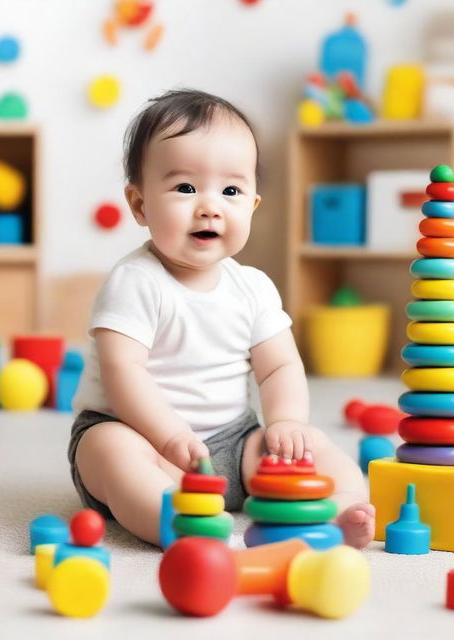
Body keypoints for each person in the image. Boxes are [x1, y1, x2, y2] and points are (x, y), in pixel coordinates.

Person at [69, 88, 374, 547]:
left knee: (311, 446)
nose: (209, 205)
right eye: (185, 188)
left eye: (230, 190)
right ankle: (178, 522)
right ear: (139, 204)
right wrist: (170, 437)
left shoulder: (252, 287)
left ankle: (336, 508)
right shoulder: (135, 281)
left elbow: (279, 366)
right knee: (110, 452)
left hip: (235, 441)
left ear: (251, 205)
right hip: (143, 438)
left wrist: (286, 421)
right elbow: (121, 372)